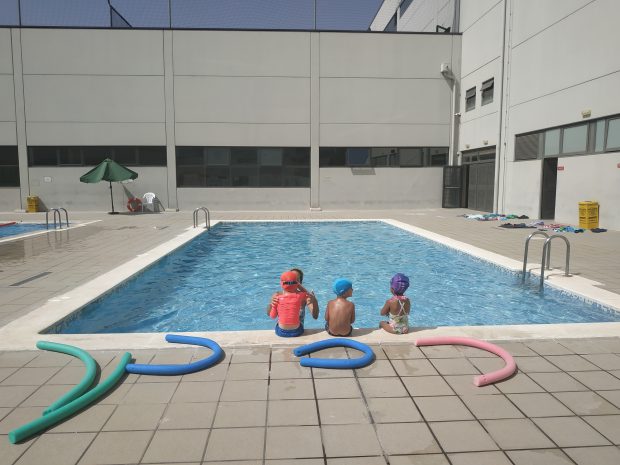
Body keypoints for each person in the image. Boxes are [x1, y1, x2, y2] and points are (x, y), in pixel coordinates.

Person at [269, 270, 315, 337]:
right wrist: (298, 285)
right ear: (297, 283)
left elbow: (272, 316)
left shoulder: (278, 297)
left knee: (278, 323)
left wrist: (273, 306)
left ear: (281, 283)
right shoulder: (300, 296)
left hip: (281, 332)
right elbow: (309, 294)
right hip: (297, 332)